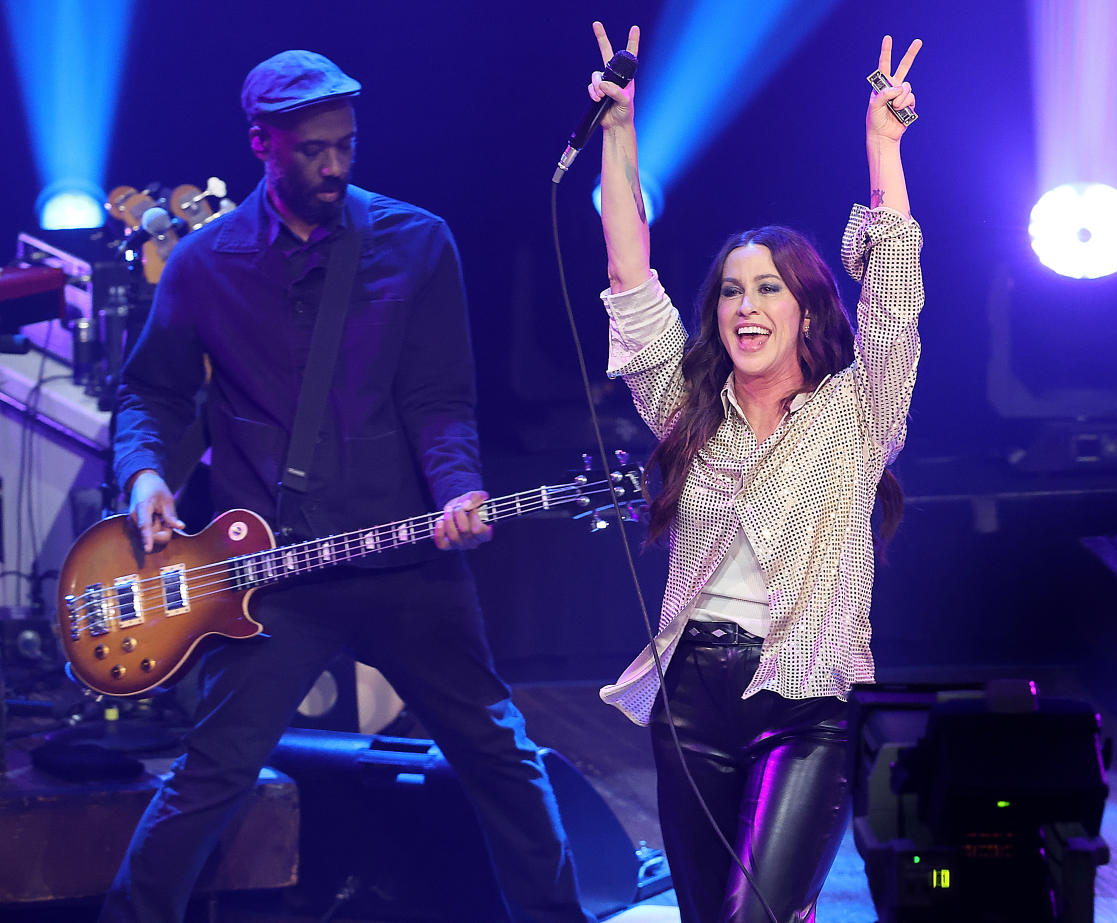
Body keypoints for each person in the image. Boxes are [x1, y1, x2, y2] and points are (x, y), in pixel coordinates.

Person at [101, 50, 593, 923]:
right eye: (311, 151)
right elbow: (153, 390)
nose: (334, 166)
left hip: (405, 561)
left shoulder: (417, 241)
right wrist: (144, 474)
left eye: (346, 146)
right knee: (211, 772)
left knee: (499, 756)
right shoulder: (204, 263)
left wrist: (457, 490)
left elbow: (441, 400)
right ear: (262, 144)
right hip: (274, 578)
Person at [587, 22, 925, 923]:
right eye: (733, 289)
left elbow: (893, 302)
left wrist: (880, 149)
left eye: (770, 286)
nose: (746, 304)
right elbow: (629, 272)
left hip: (804, 703)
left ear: (808, 308)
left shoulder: (858, 413)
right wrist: (621, 131)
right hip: (691, 699)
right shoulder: (688, 408)